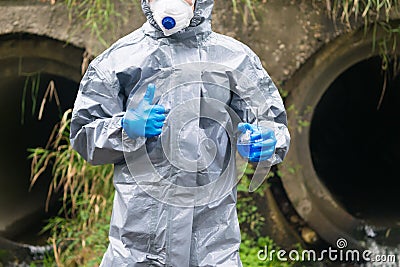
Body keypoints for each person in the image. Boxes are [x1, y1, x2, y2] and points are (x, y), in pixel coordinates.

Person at [70, 0, 290, 266]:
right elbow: (83, 135)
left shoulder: (236, 60)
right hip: (137, 247)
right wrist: (124, 128)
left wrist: (265, 142)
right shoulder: (117, 61)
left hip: (213, 245)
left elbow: (270, 123)